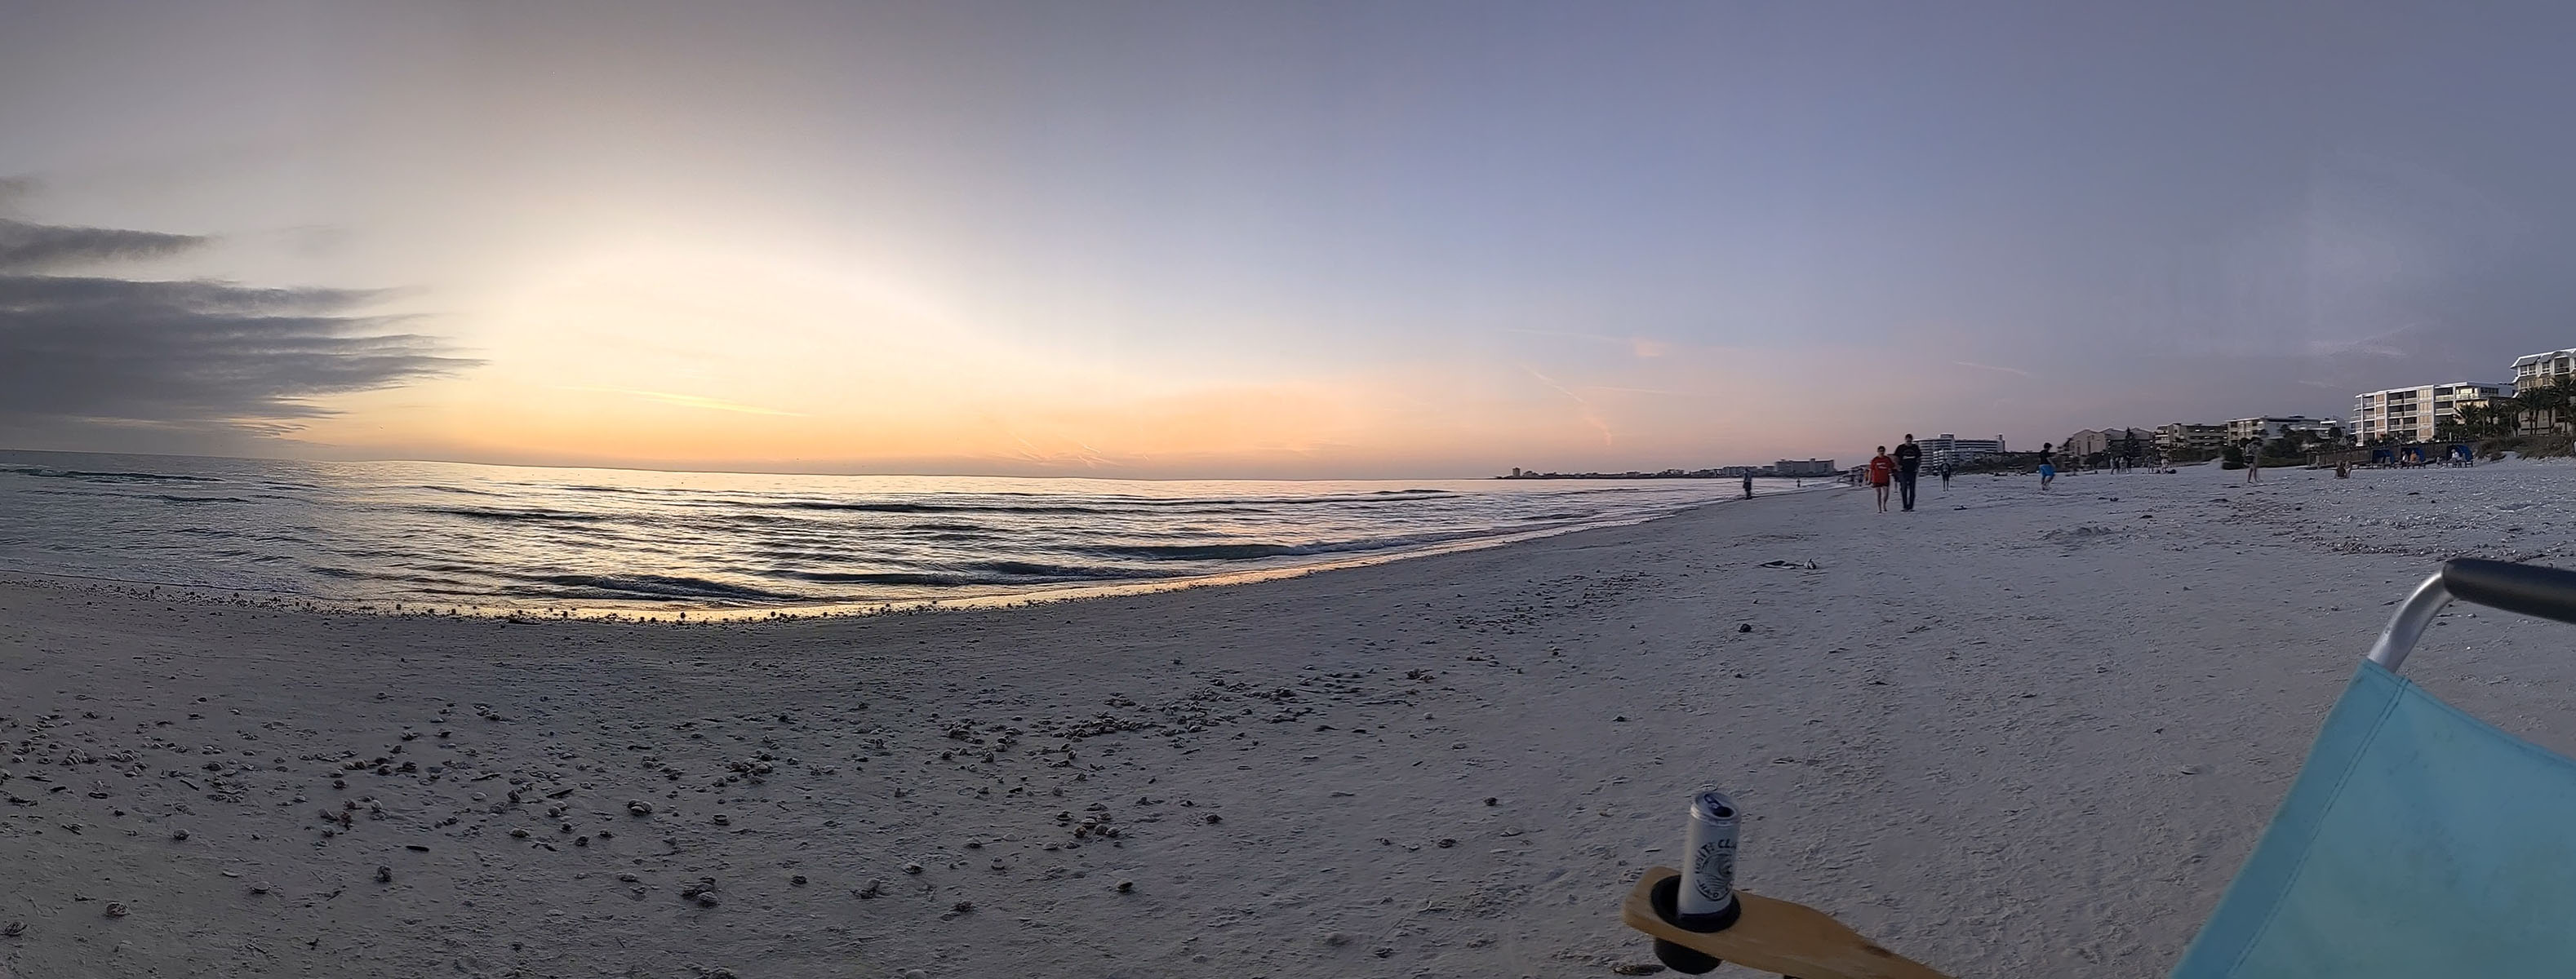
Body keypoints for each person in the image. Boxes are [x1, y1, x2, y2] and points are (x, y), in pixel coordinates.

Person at [1893, 434, 1923, 512]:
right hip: (1903, 471)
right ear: (1905, 440)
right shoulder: (1900, 448)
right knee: (1904, 488)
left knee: (1912, 490)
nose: (1909, 442)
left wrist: (1917, 467)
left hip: (1912, 471)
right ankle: (1905, 506)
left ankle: (1911, 507)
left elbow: (1919, 459)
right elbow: (1895, 458)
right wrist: (1897, 467)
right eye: (1907, 441)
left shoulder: (1915, 448)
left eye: (1910, 441)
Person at [1868, 446, 1895, 512]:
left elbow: (1892, 466)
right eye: (1880, 451)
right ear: (1878, 451)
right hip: (1876, 479)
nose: (1881, 452)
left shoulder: (1887, 459)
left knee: (1886, 494)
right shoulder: (1875, 460)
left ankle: (1884, 504)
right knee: (1878, 494)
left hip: (1885, 479)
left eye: (1883, 451)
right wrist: (1869, 479)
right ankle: (1879, 509)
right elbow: (1871, 470)